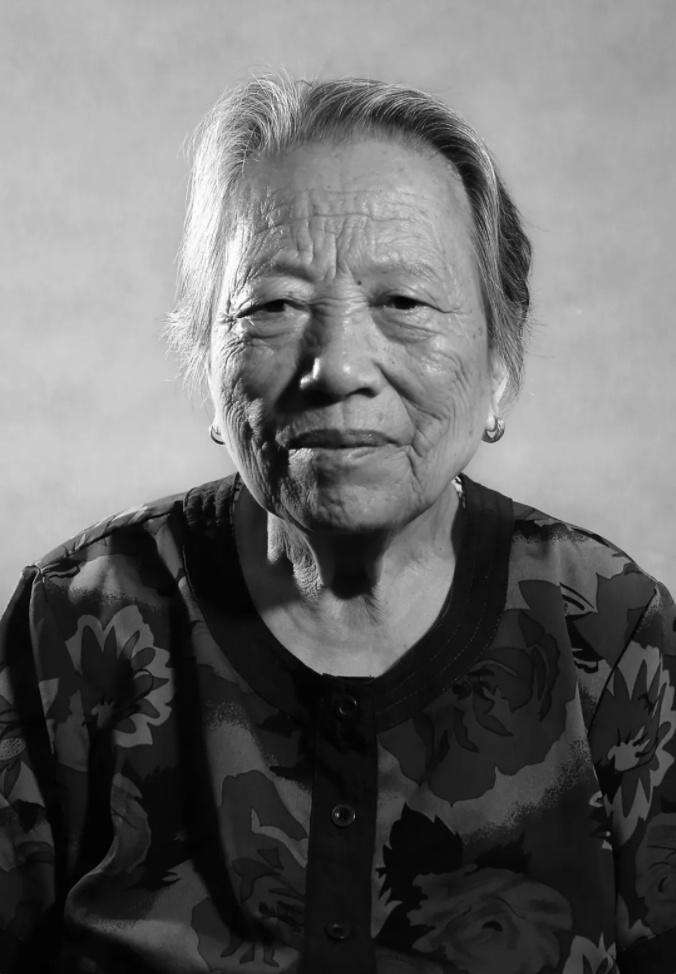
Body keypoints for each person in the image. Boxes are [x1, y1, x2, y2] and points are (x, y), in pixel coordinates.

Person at [1, 74, 674, 974]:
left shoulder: (615, 631)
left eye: (404, 304)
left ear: (501, 361)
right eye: (272, 306)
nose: (336, 368)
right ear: (205, 353)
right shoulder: (78, 622)